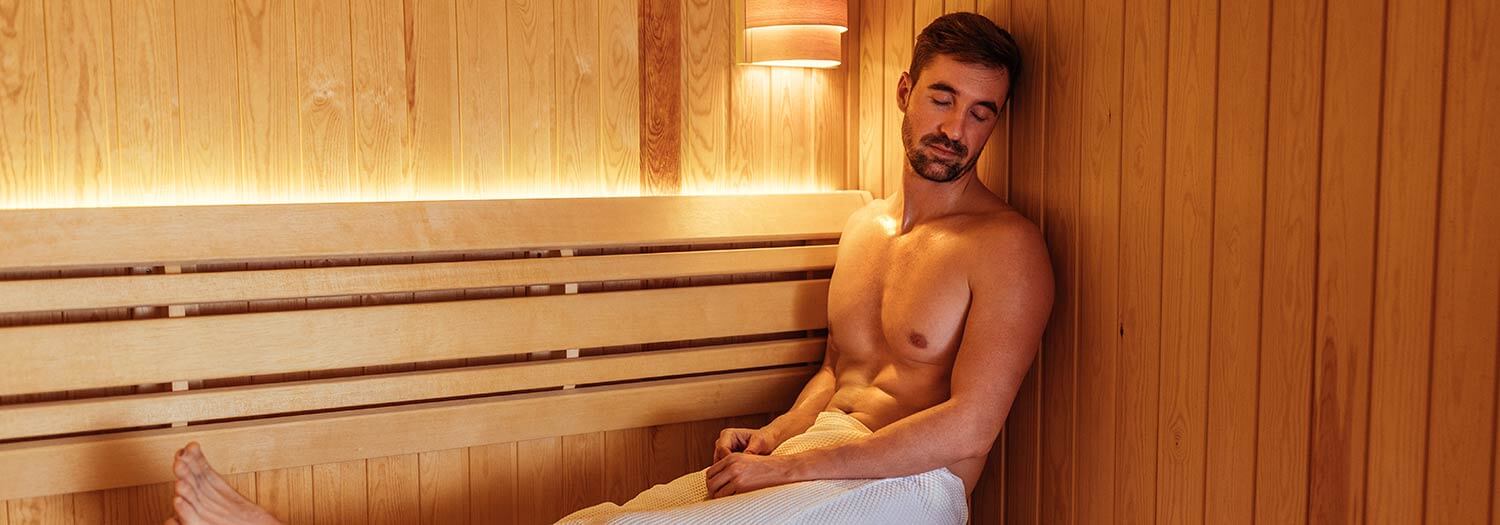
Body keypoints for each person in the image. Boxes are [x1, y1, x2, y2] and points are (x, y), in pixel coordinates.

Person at [162, 11, 1049, 525]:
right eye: (943, 97)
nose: (956, 129)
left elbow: (967, 428)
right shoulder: (864, 228)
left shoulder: (1006, 248)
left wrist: (787, 472)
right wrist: (776, 436)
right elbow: (838, 373)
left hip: (903, 492)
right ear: (905, 92)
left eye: (982, 112)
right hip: (817, 458)